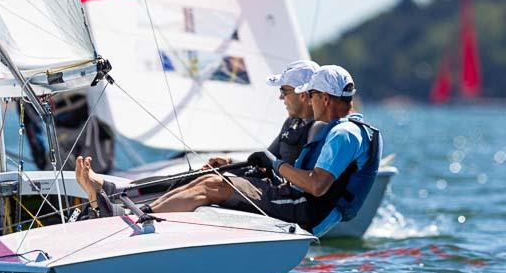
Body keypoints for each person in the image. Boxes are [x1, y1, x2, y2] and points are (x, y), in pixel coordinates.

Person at [75, 65, 382, 235]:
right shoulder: (335, 128)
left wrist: (275, 166)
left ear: (324, 98)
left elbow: (316, 185)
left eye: (311, 94)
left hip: (307, 210)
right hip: (300, 201)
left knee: (214, 184)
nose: (308, 100)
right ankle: (126, 206)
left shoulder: (344, 133)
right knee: (213, 177)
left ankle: (131, 220)